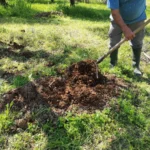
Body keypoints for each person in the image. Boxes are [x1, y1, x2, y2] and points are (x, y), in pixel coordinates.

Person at [107, 0, 146, 76]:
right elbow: (114, 12)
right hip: (117, 19)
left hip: (138, 19)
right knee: (114, 41)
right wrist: (125, 28)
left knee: (137, 42)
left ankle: (136, 66)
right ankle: (113, 64)